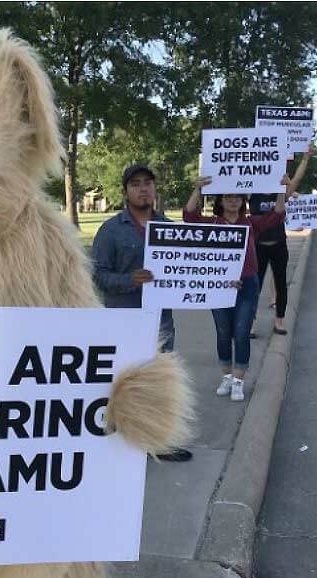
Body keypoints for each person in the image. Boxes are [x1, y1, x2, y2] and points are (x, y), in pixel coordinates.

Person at [91, 163, 192, 462]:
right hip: (124, 318)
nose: (143, 188)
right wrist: (128, 280)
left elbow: (190, 270)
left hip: (161, 320)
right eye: (135, 184)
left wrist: (222, 283)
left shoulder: (169, 228)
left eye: (148, 183)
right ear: (125, 191)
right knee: (124, 383)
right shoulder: (110, 230)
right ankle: (120, 442)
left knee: (160, 381)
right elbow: (97, 275)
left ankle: (157, 442)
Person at [184, 158, 305, 401]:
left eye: (237, 196)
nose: (233, 199)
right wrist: (197, 188)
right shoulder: (213, 224)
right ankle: (227, 376)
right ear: (220, 200)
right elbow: (189, 216)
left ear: (243, 200)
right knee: (222, 332)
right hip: (218, 288)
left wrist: (282, 190)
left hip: (247, 286)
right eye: (228, 196)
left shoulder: (250, 223)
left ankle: (239, 380)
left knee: (241, 332)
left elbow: (277, 215)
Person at [249, 144, 317, 337]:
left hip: (278, 244)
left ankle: (279, 321)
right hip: (258, 246)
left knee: (280, 284)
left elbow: (296, 179)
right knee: (255, 285)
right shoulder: (253, 190)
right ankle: (251, 323)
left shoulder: (283, 191)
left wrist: (305, 158)